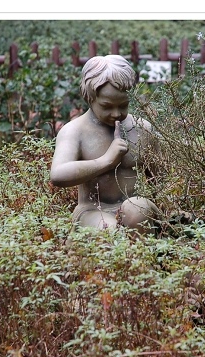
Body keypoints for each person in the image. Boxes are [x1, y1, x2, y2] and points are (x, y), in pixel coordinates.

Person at [50, 55, 159, 236]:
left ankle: (145, 253)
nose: (116, 113)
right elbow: (57, 175)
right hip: (92, 210)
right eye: (107, 106)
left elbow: (160, 179)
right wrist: (106, 161)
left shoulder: (142, 128)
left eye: (123, 105)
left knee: (137, 210)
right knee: (109, 231)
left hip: (135, 207)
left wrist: (172, 210)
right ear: (89, 98)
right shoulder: (75, 131)